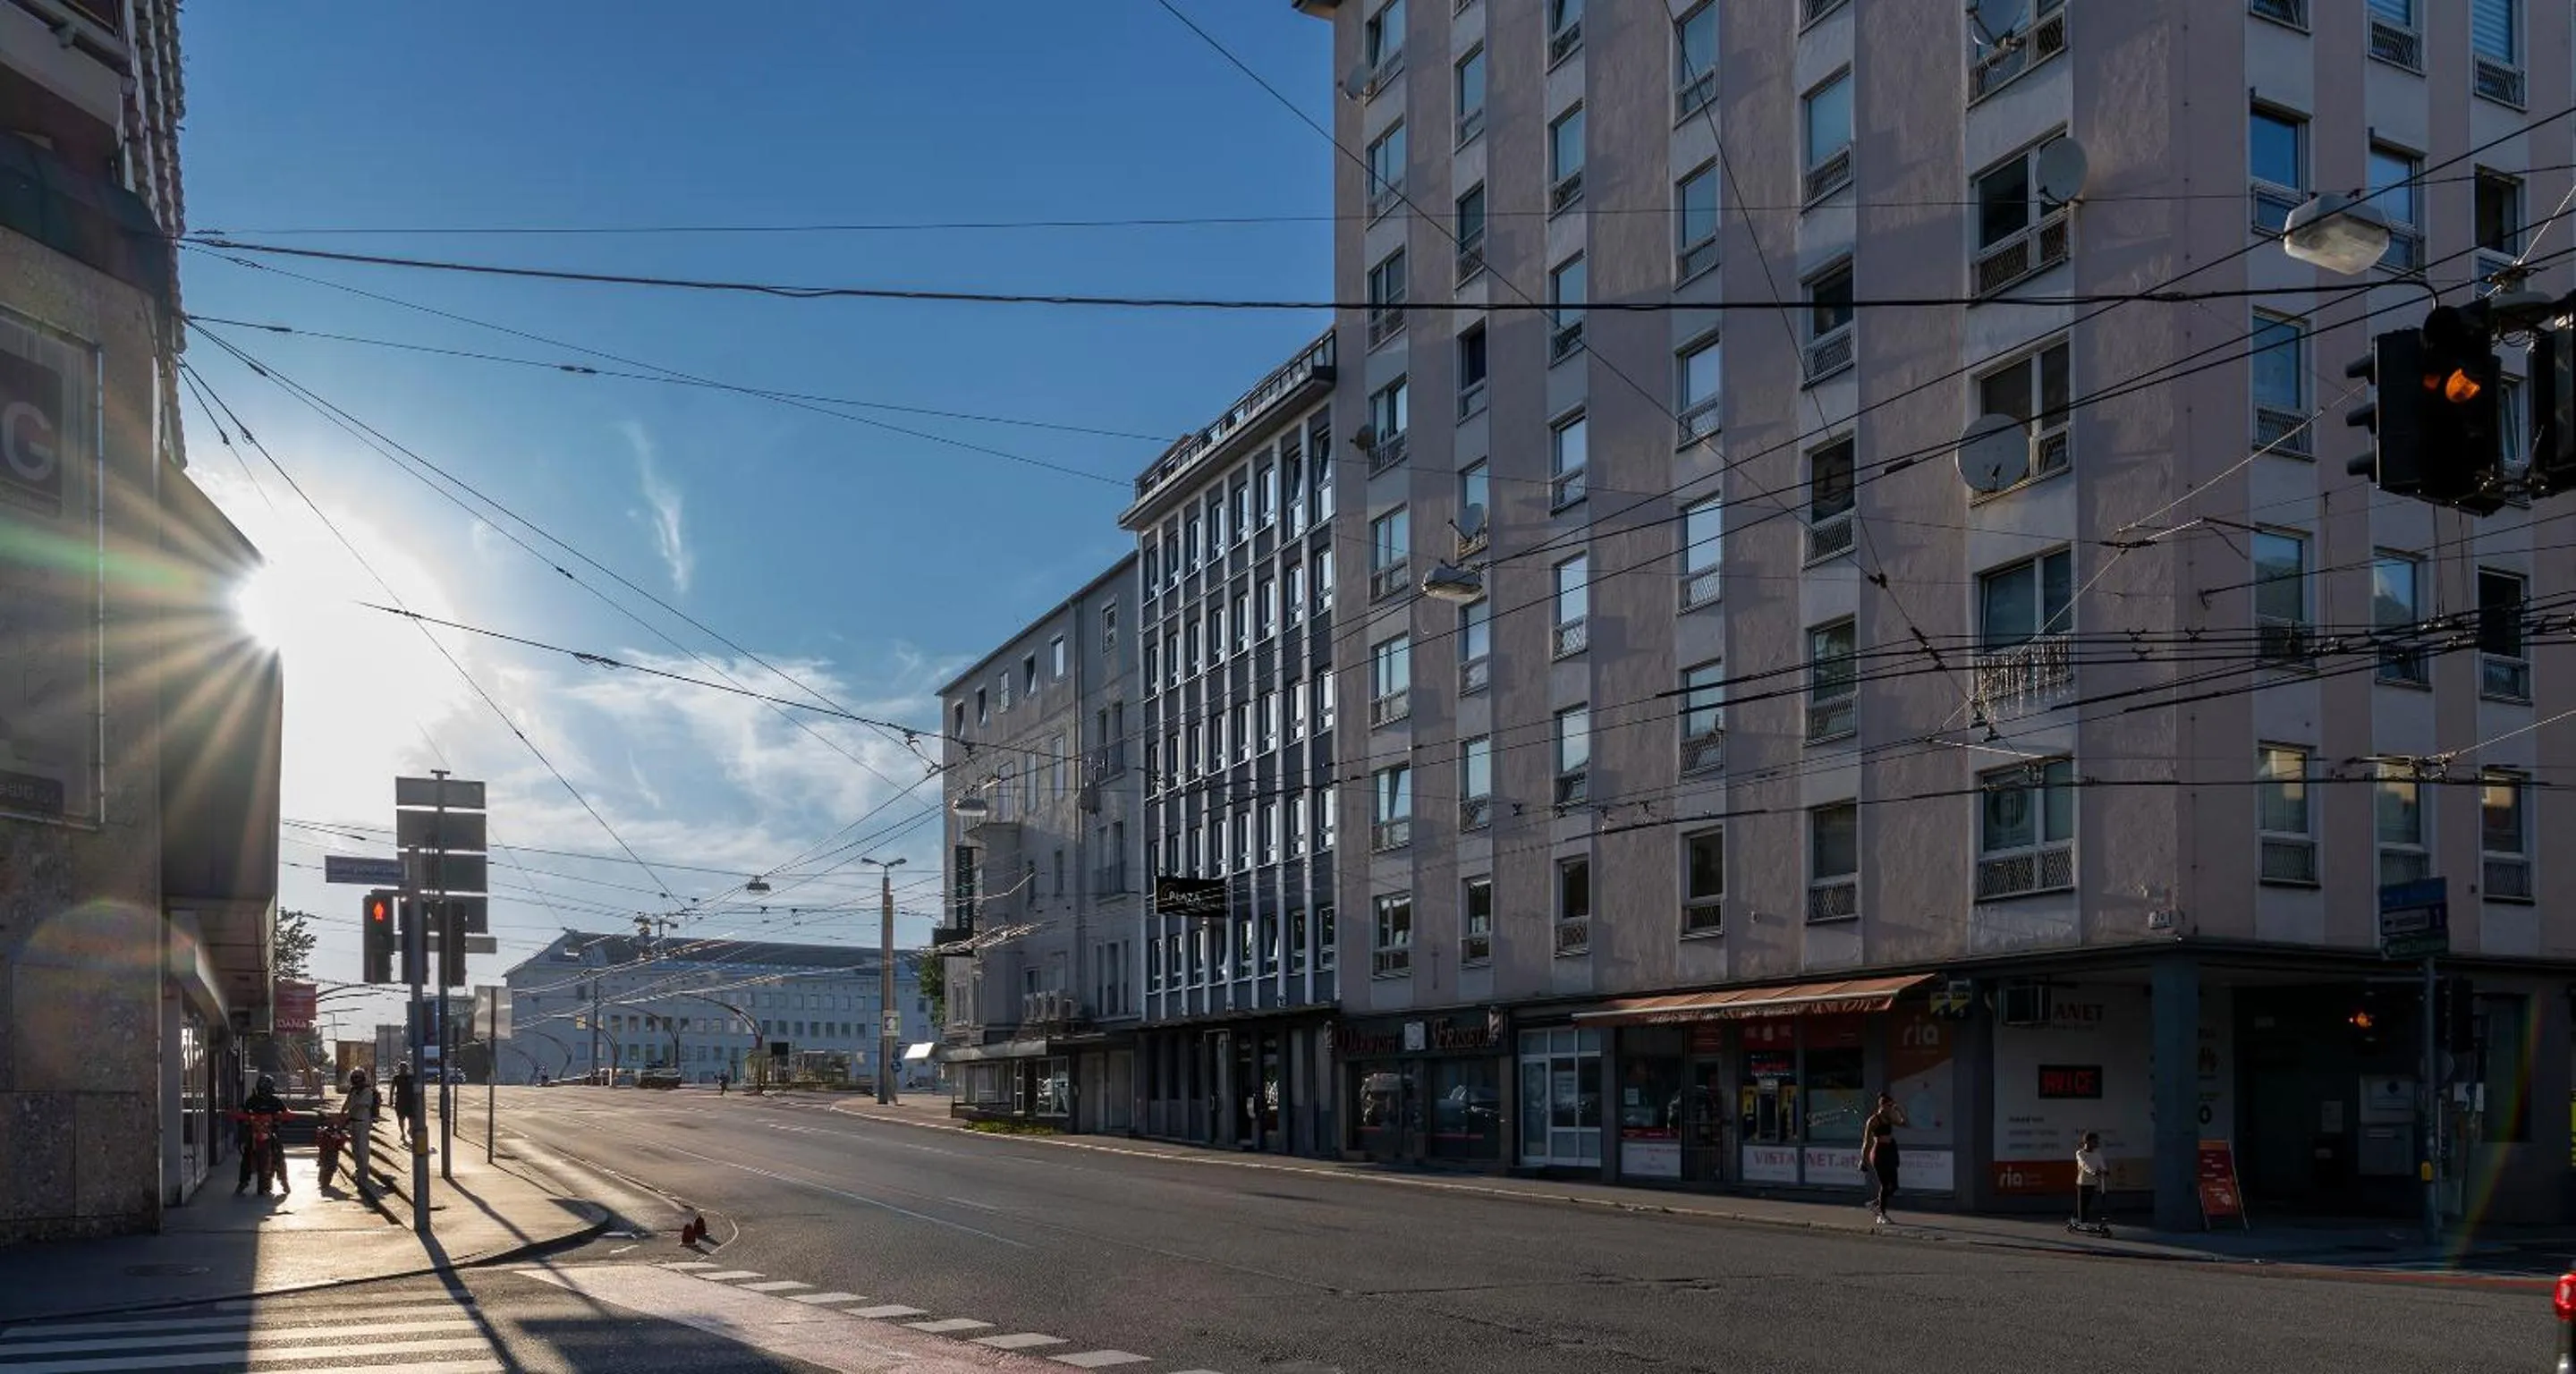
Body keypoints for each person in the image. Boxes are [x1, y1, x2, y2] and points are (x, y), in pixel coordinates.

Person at [233, 1074, 291, 1197]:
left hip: (271, 1132)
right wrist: (243, 1120)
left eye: (267, 1088)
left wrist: (283, 1119)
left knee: (279, 1153)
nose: (264, 1090)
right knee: (247, 1153)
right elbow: (243, 1112)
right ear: (258, 1087)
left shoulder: (276, 1101)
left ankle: (284, 1181)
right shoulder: (251, 1101)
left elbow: (286, 1112)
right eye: (262, 1087)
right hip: (255, 1132)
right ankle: (243, 1182)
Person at [1860, 1090, 1907, 1225]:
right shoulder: (1873, 1120)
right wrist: (1863, 1160)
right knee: (1885, 1185)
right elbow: (1866, 1142)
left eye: (1892, 1106)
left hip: (1890, 1151)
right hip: (1879, 1153)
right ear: (1882, 1105)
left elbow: (1904, 1123)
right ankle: (1881, 1215)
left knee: (1894, 1186)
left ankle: (1875, 1204)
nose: (1890, 1108)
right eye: (1889, 1106)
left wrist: (1899, 1110)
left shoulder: (1889, 1117)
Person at [345, 1068, 382, 1200]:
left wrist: (349, 1112)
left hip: (362, 1122)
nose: (355, 1079)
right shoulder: (353, 1091)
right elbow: (347, 1104)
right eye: (353, 1077)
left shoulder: (367, 1091)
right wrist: (342, 1113)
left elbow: (361, 1105)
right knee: (354, 1149)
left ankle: (364, 1173)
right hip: (353, 1122)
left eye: (358, 1077)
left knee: (362, 1148)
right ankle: (358, 1169)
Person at [2073, 1131, 2109, 1230]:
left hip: (2093, 1182)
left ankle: (2074, 1218)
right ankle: (2083, 1223)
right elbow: (2084, 1165)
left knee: (2085, 1203)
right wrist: (2094, 1172)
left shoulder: (2097, 1154)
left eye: (2097, 1141)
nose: (2096, 1143)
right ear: (2087, 1142)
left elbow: (2101, 1164)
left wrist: (2105, 1170)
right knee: (2082, 1203)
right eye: (2094, 1141)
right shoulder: (2080, 1153)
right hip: (2082, 1182)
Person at [390, 1062, 417, 1141]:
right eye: (401, 1068)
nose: (402, 1070)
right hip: (400, 1101)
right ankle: (402, 1133)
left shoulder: (411, 1077)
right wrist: (391, 1099)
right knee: (401, 1119)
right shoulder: (396, 1078)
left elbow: (416, 1088)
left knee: (412, 1119)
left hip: (410, 1100)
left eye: (404, 1068)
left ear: (407, 1068)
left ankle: (410, 1130)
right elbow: (392, 1089)